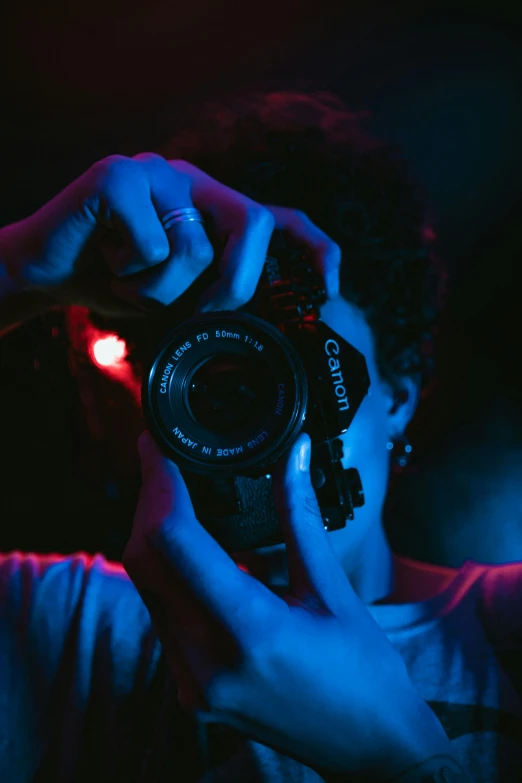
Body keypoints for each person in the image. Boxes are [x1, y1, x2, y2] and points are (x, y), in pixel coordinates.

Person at [0, 91, 520, 783]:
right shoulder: (70, 630)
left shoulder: (505, 633)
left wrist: (386, 752)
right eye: (220, 375)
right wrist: (18, 271)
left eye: (295, 362)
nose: (258, 406)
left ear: (397, 396)